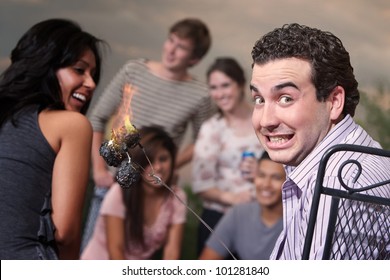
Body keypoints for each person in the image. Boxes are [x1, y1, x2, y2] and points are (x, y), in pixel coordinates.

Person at [250, 23, 390, 259]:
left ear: (334, 101)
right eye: (259, 99)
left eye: (285, 98)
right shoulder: (333, 162)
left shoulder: (342, 183)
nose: (266, 120)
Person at [81, 18, 213, 251]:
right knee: (96, 253)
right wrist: (99, 169)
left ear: (194, 59)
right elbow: (97, 118)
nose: (171, 49)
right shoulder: (134, 70)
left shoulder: (200, 95)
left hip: (153, 192)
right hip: (113, 180)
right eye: (171, 40)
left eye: (181, 47)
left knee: (135, 258)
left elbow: (203, 140)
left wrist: (166, 167)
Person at [0, 18, 105, 259]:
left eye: (94, 75)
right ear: (45, 65)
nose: (90, 83)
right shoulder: (72, 126)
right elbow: (65, 233)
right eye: (79, 70)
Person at [192, 57, 264, 256]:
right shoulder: (211, 129)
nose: (220, 93)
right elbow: (201, 185)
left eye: (225, 85)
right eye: (214, 87)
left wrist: (262, 170)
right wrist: (232, 198)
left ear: (241, 84)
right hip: (219, 219)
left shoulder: (263, 119)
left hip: (262, 217)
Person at [81, 126, 187, 260]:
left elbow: (172, 253)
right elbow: (116, 251)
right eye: (149, 161)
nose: (158, 167)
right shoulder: (119, 193)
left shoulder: (177, 197)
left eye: (163, 159)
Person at [199, 152, 284, 260]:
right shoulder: (239, 213)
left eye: (276, 178)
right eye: (261, 175)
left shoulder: (299, 220)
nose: (266, 184)